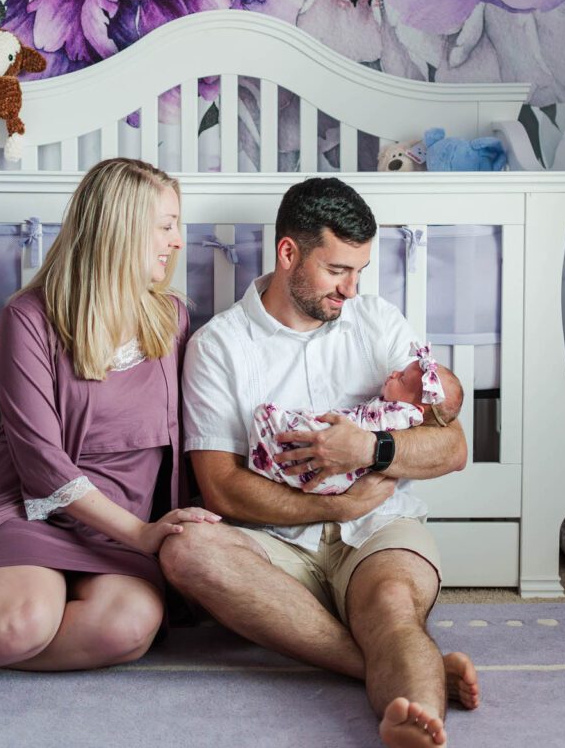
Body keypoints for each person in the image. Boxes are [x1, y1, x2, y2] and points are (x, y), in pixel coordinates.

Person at [159, 176, 479, 748]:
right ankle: (383, 665)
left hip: (377, 528)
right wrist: (331, 498)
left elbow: (452, 445)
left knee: (390, 604)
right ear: (289, 254)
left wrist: (370, 450)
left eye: (360, 271)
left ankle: (416, 716)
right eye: (338, 271)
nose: (352, 289)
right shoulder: (219, 347)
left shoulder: (377, 320)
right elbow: (222, 491)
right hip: (275, 544)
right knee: (186, 548)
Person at [0, 158, 220, 671]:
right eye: (166, 225)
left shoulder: (170, 317)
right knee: (19, 621)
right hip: (22, 506)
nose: (177, 241)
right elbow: (40, 460)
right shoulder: (28, 317)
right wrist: (141, 534)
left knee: (128, 626)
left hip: (119, 522)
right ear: (121, 229)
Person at [249, 346, 463, 495]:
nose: (394, 373)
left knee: (278, 423)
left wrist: (365, 446)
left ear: (415, 410)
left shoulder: (402, 414)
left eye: (403, 378)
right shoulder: (400, 404)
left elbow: (459, 454)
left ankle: (271, 449)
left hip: (347, 467)